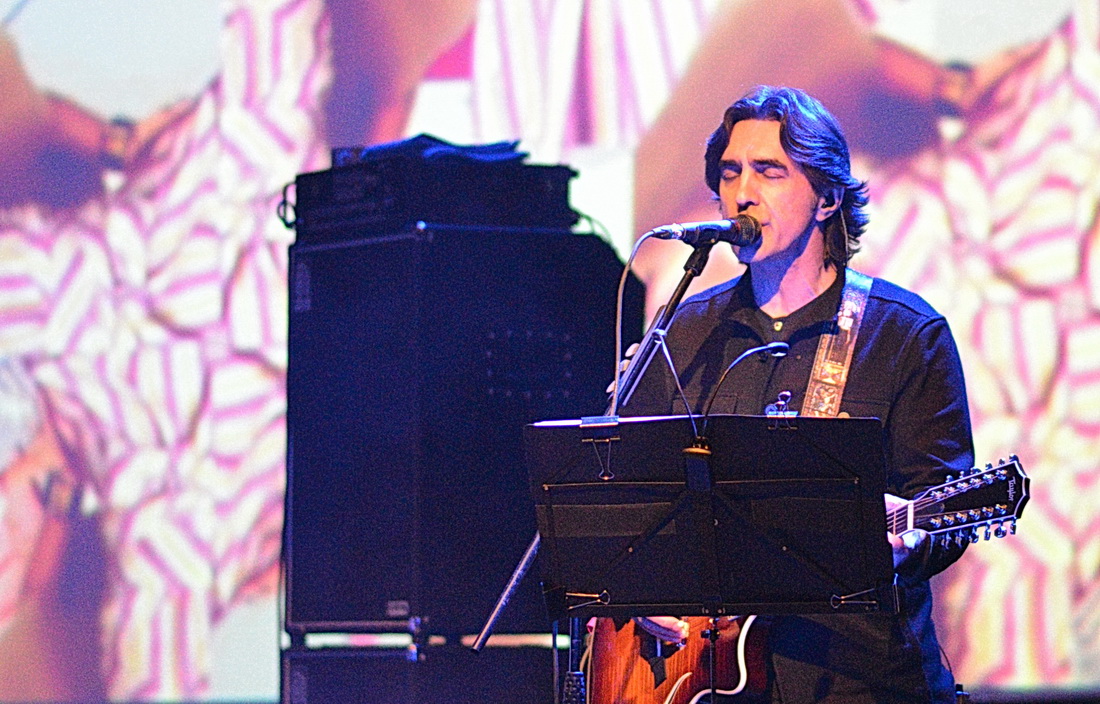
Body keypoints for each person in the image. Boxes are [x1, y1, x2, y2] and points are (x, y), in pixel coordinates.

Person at [617, 85, 974, 703]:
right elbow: (627, 496)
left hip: (857, 680)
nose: (742, 192)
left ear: (828, 198)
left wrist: (907, 539)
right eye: (731, 172)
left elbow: (944, 511)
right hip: (704, 680)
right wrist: (638, 589)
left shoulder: (904, 335)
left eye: (769, 171)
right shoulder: (686, 333)